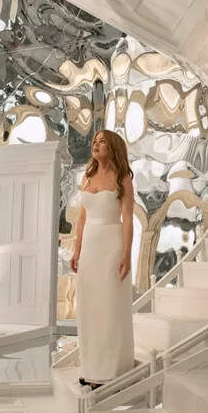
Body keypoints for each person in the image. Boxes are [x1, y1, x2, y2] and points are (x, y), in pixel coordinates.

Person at [69, 130, 135, 390]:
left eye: (102, 142)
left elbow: (127, 219)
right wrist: (76, 250)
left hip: (111, 244)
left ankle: (112, 370)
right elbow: (82, 218)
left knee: (109, 306)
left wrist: (126, 254)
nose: (96, 145)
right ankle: (91, 367)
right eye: (95, 142)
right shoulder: (88, 176)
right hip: (90, 247)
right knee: (89, 306)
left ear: (113, 147)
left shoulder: (123, 177)